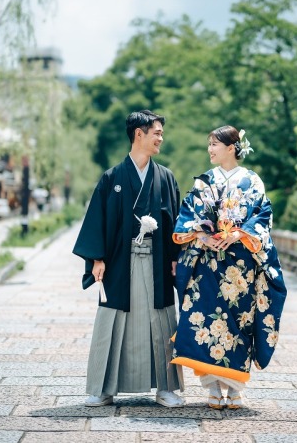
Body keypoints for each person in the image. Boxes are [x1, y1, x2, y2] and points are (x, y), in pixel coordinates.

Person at [73, 110, 185, 408]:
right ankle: (103, 388)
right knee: (111, 320)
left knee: (161, 321)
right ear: (139, 134)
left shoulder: (165, 178)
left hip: (157, 262)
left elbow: (176, 222)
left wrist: (176, 257)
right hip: (120, 261)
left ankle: (166, 388)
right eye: (157, 133)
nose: (160, 139)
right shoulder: (112, 177)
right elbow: (98, 219)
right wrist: (96, 259)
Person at [171, 125, 287, 409]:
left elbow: (263, 214)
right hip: (208, 264)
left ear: (232, 147)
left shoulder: (252, 180)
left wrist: (237, 234)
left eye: (214, 144)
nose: (210, 149)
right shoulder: (204, 181)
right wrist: (202, 236)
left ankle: (235, 388)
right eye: (209, 144)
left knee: (239, 322)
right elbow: (188, 214)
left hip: (240, 266)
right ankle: (212, 387)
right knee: (205, 319)